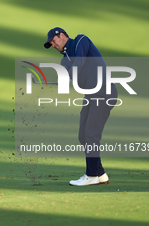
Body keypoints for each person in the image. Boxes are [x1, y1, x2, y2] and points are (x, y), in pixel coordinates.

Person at [44, 27, 118, 186]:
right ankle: (100, 173)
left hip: (104, 91)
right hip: (91, 95)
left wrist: (68, 76)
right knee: (83, 135)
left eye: (53, 41)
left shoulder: (80, 41)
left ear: (62, 35)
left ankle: (91, 175)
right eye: (50, 44)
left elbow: (79, 63)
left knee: (91, 133)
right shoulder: (65, 60)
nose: (53, 45)